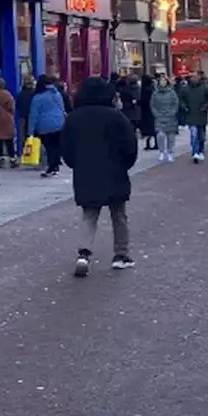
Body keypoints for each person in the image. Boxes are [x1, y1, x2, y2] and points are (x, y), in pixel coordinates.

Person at [62, 77, 139, 275]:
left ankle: (84, 254)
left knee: (89, 215)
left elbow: (67, 150)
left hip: (86, 172)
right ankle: (121, 254)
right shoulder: (116, 117)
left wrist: (77, 164)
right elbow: (130, 146)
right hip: (114, 170)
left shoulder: (73, 118)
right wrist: (124, 165)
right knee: (119, 214)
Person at [27, 75, 67, 177]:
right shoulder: (56, 94)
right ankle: (55, 166)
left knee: (49, 147)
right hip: (59, 123)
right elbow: (62, 108)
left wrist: (30, 131)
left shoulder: (37, 98)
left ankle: (51, 167)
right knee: (56, 146)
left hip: (45, 125)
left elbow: (33, 115)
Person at [181, 72, 208, 163]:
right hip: (191, 115)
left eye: (196, 77)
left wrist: (205, 107)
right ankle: (195, 152)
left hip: (201, 115)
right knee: (194, 135)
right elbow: (180, 99)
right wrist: (185, 107)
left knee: (201, 136)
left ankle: (200, 150)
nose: (194, 79)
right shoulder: (186, 89)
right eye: (192, 77)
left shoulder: (205, 88)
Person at [149, 75, 181, 162]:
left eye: (164, 81)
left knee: (171, 136)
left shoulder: (172, 92)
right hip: (159, 117)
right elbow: (152, 104)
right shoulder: (155, 93)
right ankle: (162, 152)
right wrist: (156, 114)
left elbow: (176, 103)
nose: (162, 83)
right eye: (161, 81)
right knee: (160, 135)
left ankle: (170, 152)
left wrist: (173, 112)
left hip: (171, 117)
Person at [15, 75, 36, 157]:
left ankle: (26, 154)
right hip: (33, 117)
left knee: (25, 137)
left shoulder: (21, 94)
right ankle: (33, 154)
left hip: (23, 117)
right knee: (34, 136)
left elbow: (18, 105)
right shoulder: (35, 93)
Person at [138, 75, 157, 151]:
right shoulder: (152, 88)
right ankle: (154, 143)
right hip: (152, 110)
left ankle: (149, 144)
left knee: (149, 128)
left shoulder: (145, 90)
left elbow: (145, 101)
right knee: (152, 128)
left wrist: (138, 102)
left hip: (147, 111)